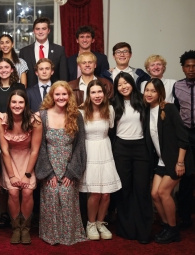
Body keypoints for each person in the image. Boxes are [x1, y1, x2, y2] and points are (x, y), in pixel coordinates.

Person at [35, 81, 87, 245]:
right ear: (52, 96)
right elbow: (40, 145)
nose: (61, 97)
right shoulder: (42, 115)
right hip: (49, 164)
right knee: (51, 195)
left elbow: (80, 145)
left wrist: (72, 172)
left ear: (69, 96)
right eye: (57, 94)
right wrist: (48, 172)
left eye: (64, 94)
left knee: (65, 195)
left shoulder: (76, 115)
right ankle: (51, 235)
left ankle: (70, 234)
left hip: (69, 164)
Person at [144, 78, 194, 243]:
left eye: (153, 91)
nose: (149, 94)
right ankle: (166, 225)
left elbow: (183, 137)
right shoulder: (147, 111)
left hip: (177, 160)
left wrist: (180, 163)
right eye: (147, 90)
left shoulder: (169, 108)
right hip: (161, 160)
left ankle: (173, 230)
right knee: (154, 194)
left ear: (160, 93)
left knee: (163, 193)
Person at [0, 89, 42, 244]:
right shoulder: (2, 119)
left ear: (25, 104)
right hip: (9, 159)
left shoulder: (34, 120)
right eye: (14, 102)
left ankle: (26, 229)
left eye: (21, 102)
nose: (17, 105)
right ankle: (16, 228)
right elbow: (4, 150)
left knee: (28, 192)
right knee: (14, 192)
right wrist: (12, 175)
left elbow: (35, 150)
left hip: (28, 158)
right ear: (9, 103)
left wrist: (27, 174)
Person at [111, 72, 152, 244]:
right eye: (119, 84)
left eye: (126, 83)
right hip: (121, 148)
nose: (123, 86)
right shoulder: (113, 104)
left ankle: (144, 230)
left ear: (132, 83)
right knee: (124, 190)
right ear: (116, 87)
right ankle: (126, 228)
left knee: (142, 190)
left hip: (141, 148)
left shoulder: (143, 101)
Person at [79, 80, 121, 240]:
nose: (97, 95)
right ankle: (90, 224)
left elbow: (110, 128)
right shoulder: (81, 112)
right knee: (95, 193)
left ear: (104, 94)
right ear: (88, 95)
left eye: (100, 92)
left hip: (105, 150)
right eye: (93, 92)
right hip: (90, 152)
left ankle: (100, 222)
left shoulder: (109, 109)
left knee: (106, 194)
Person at [172, 50, 195, 230]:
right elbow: (177, 112)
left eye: (194, 66)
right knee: (187, 176)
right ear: (183, 68)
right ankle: (185, 217)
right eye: (188, 66)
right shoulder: (177, 86)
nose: (191, 69)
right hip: (187, 135)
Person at [19, 17, 68, 88]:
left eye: (44, 29)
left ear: (48, 31)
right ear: (34, 31)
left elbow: (64, 76)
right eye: (37, 29)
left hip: (54, 93)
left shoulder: (59, 50)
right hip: (31, 95)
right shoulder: (24, 52)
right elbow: (21, 77)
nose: (40, 32)